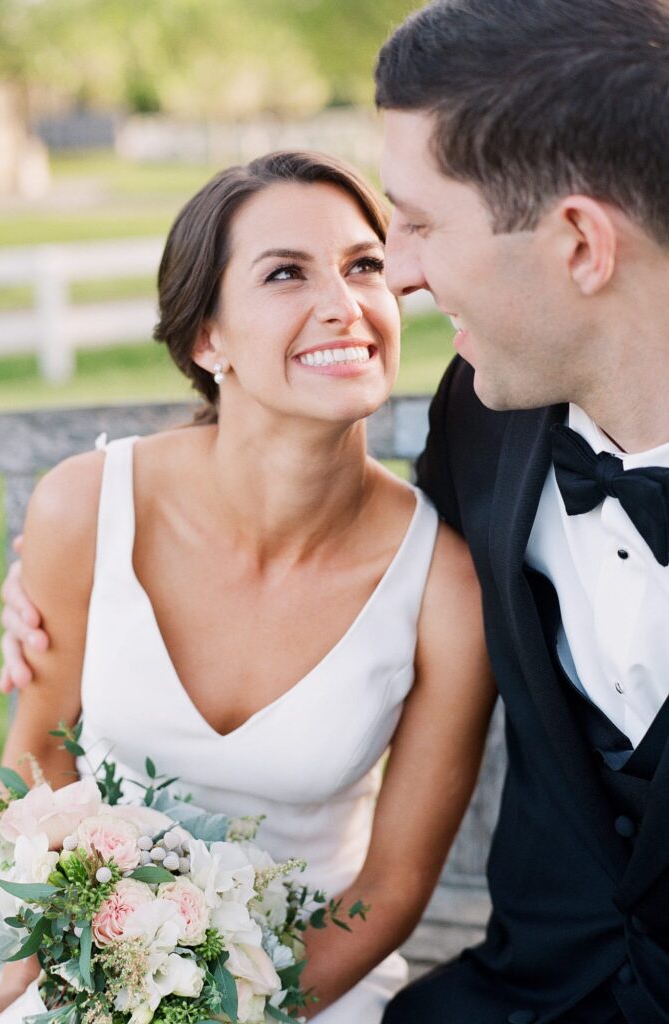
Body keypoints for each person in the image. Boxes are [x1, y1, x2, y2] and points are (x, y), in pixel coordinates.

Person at [0, 151, 495, 1024]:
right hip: (95, 961)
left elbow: (389, 889)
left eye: (364, 265)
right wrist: (26, 978)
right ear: (208, 339)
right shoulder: (87, 506)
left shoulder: (445, 585)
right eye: (287, 273)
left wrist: (234, 1012)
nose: (345, 304)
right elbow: (40, 763)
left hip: (312, 981)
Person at [372, 1, 669, 1022]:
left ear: (581, 241)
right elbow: (364, 563)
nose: (397, 270)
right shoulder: (483, 414)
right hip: (525, 998)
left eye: (419, 222)